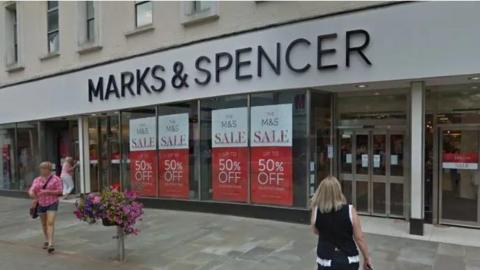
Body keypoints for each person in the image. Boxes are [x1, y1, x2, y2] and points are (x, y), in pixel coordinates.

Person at [311, 176, 372, 270]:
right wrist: (367, 258)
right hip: (348, 259)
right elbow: (359, 238)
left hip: (325, 259)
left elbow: (316, 231)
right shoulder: (350, 210)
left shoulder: (316, 210)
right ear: (338, 191)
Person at [28, 161, 63, 254]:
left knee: (50, 222)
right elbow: (32, 189)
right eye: (41, 168)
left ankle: (51, 244)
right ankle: (46, 239)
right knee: (44, 224)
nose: (42, 170)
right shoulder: (37, 180)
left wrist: (48, 192)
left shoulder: (56, 179)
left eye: (44, 168)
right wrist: (32, 194)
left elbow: (60, 191)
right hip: (40, 203)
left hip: (52, 202)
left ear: (49, 169)